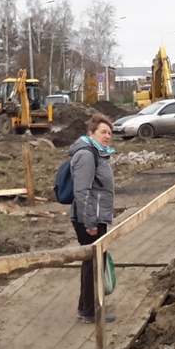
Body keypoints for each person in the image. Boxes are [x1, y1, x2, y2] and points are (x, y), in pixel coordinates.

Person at [69, 113, 116, 323]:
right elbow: (82, 191)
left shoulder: (97, 153)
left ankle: (86, 307)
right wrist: (89, 223)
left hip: (96, 217)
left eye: (109, 133)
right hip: (90, 220)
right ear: (91, 133)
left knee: (93, 263)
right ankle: (89, 311)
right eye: (102, 132)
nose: (107, 136)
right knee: (93, 264)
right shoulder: (87, 155)